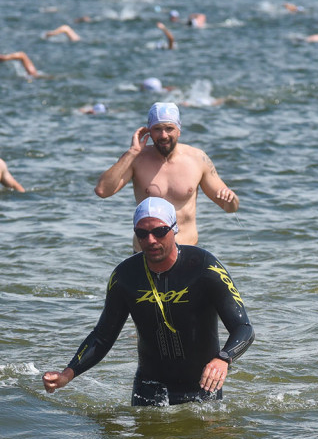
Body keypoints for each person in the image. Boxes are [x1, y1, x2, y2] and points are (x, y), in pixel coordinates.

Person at [42, 197, 254, 406]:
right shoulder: (125, 276)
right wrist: (66, 375)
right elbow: (103, 336)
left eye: (160, 232)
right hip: (149, 392)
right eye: (142, 233)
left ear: (175, 229)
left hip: (203, 390)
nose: (151, 240)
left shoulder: (204, 267)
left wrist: (223, 358)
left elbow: (243, 328)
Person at [94, 102, 238, 248]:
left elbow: (229, 208)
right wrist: (132, 152)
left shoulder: (197, 158)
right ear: (149, 131)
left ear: (179, 130)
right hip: (147, 253)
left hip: (186, 252)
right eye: (157, 129)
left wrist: (231, 199)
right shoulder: (136, 159)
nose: (163, 135)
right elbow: (102, 191)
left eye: (169, 128)